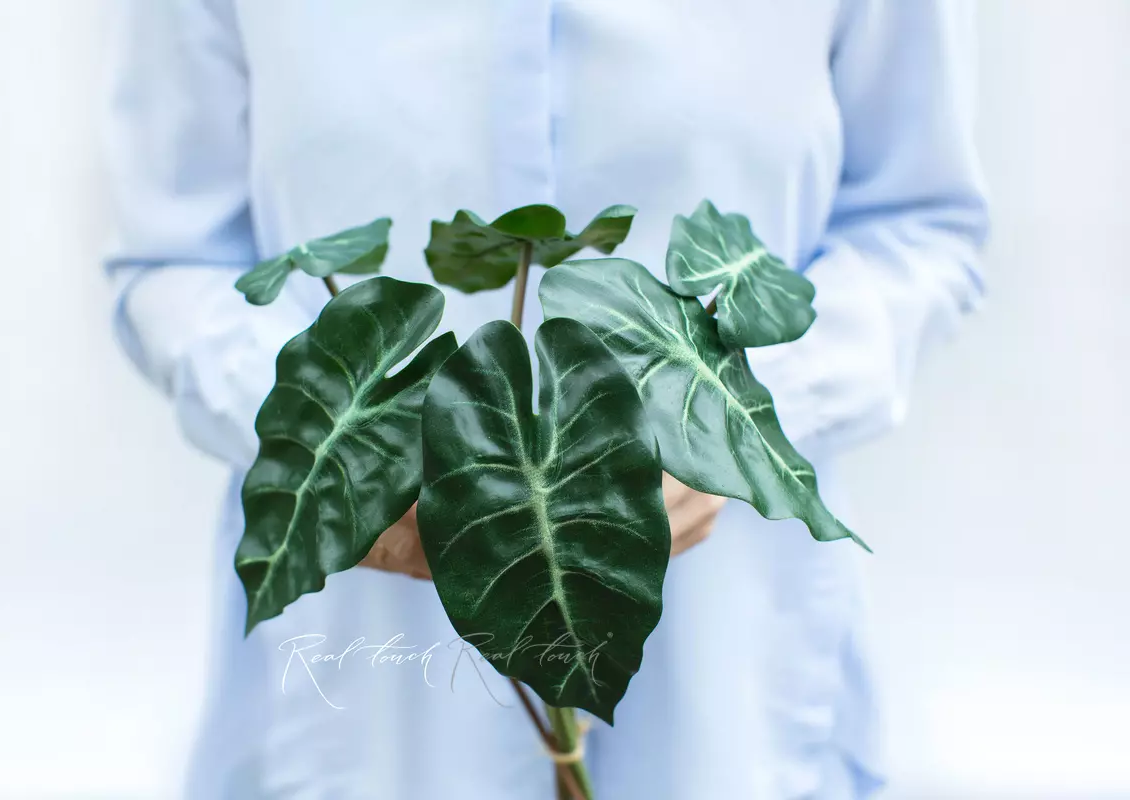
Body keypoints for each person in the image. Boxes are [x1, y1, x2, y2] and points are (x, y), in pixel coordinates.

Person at [105, 1, 988, 797]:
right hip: (369, 687)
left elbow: (918, 221)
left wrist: (736, 421)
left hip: (730, 661)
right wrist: (352, 467)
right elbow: (172, 256)